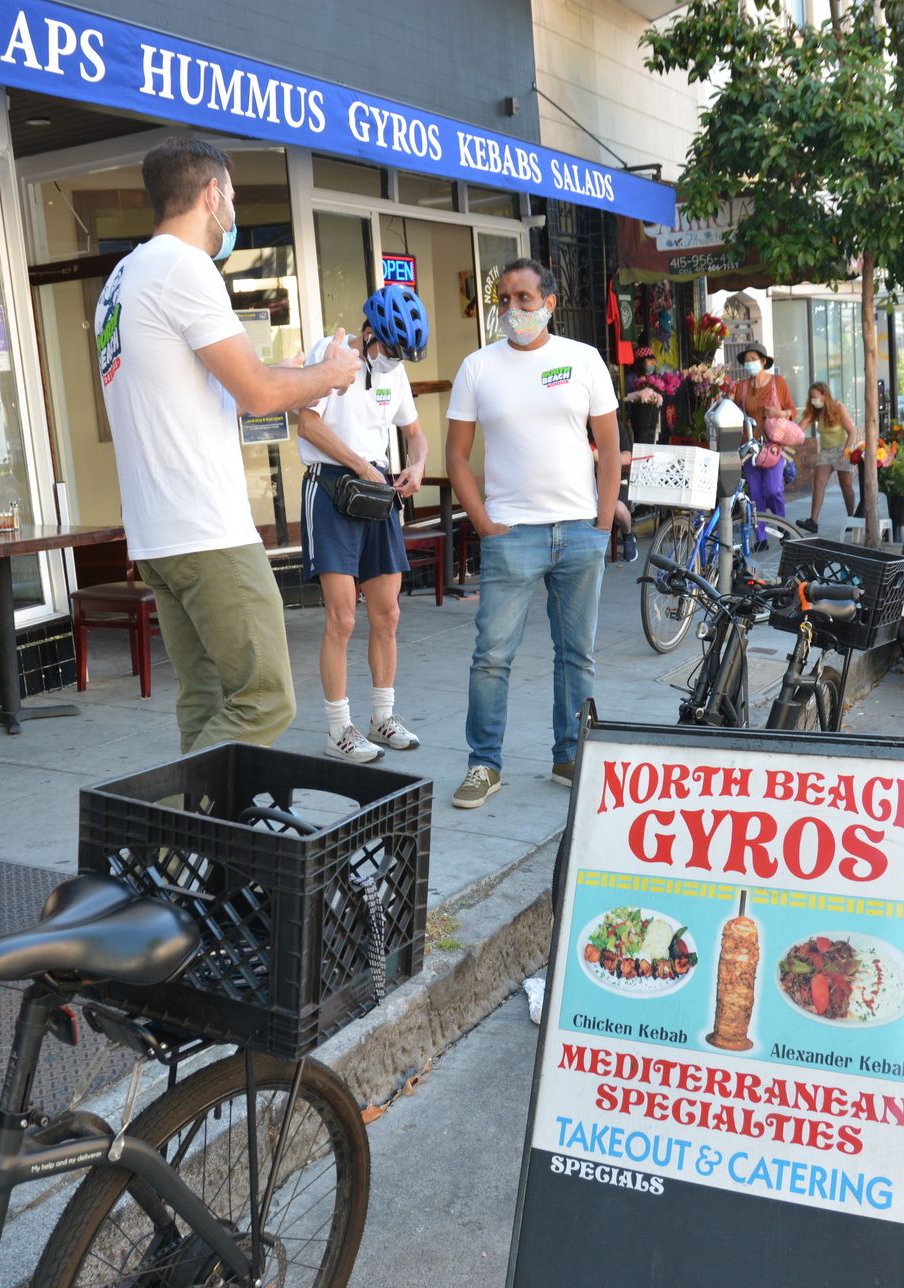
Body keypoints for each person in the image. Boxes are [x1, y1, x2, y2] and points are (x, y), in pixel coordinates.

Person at [95, 137, 361, 752]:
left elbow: (212, 395)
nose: (233, 213)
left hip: (158, 534)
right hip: (206, 529)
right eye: (233, 198)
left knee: (207, 701)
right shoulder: (185, 268)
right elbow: (259, 394)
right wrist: (331, 373)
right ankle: (163, 816)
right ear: (212, 195)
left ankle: (204, 818)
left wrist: (295, 374)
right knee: (265, 699)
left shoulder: (123, 278)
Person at [444, 257, 620, 809]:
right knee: (492, 656)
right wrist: (483, 522)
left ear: (549, 303)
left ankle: (571, 756)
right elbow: (456, 455)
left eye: (524, 298)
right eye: (504, 299)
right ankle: (484, 764)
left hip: (579, 531)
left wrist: (603, 521)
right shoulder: (477, 367)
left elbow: (610, 446)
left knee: (577, 655)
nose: (513, 308)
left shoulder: (583, 359)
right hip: (511, 533)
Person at [296, 285, 430, 763]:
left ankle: (382, 717)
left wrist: (416, 466)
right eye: (390, 349)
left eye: (402, 354)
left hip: (376, 490)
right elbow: (308, 424)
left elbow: (414, 433)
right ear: (369, 331)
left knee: (387, 613)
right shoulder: (330, 354)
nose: (395, 360)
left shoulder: (394, 373)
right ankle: (339, 729)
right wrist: (359, 464)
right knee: (342, 616)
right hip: (332, 485)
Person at [727, 344, 796, 551]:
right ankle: (761, 537)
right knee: (755, 494)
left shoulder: (778, 382)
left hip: (773, 445)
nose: (749, 363)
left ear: (763, 361)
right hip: (750, 446)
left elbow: (792, 410)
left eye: (753, 359)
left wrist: (780, 413)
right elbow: (736, 414)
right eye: (746, 360)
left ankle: (782, 525)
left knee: (773, 490)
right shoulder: (742, 387)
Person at [800, 380, 857, 535]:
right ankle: (813, 521)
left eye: (815, 396)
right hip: (826, 452)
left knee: (846, 485)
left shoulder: (838, 407)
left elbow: (852, 431)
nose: (813, 400)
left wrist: (846, 451)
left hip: (842, 449)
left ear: (824, 395)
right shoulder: (815, 411)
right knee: (819, 482)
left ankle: (851, 517)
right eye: (811, 397)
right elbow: (801, 427)